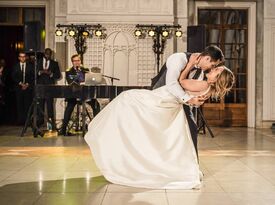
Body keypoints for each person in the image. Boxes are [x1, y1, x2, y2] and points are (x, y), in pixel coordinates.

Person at [84, 56, 234, 189]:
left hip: (163, 100)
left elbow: (180, 82)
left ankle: (119, 141)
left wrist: (188, 66)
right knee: (127, 102)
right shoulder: (206, 87)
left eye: (217, 70)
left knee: (126, 98)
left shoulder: (203, 85)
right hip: (166, 99)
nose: (214, 69)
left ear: (217, 77)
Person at [151, 45, 224, 154]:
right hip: (160, 98)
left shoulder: (202, 73)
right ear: (207, 58)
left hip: (179, 103)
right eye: (213, 65)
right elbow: (171, 84)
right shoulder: (178, 58)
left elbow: (188, 89)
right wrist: (190, 100)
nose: (212, 68)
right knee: (159, 133)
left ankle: (192, 167)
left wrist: (196, 101)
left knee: (190, 129)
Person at [59, 54, 101, 136]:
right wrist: (79, 81)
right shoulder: (69, 71)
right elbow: (70, 82)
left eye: (78, 60)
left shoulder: (85, 70)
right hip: (74, 94)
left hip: (85, 94)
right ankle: (63, 130)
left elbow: (90, 80)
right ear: (72, 62)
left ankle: (97, 127)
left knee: (96, 104)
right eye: (75, 61)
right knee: (69, 108)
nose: (77, 62)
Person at [37, 48, 61, 131]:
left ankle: (50, 126)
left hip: (50, 88)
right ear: (44, 54)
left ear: (51, 54)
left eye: (49, 54)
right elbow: (34, 74)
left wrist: (51, 74)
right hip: (40, 88)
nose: (48, 55)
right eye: (46, 54)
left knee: (50, 107)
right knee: (40, 106)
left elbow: (58, 75)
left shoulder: (54, 63)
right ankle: (39, 125)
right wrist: (40, 72)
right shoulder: (38, 62)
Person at [12, 52, 34, 125]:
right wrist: (21, 84)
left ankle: (27, 121)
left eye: (24, 56)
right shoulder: (15, 66)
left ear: (26, 57)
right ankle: (20, 121)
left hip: (28, 88)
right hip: (19, 88)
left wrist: (27, 84)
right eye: (21, 57)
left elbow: (32, 76)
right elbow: (13, 77)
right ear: (19, 58)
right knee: (19, 104)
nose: (22, 58)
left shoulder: (30, 66)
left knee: (27, 105)